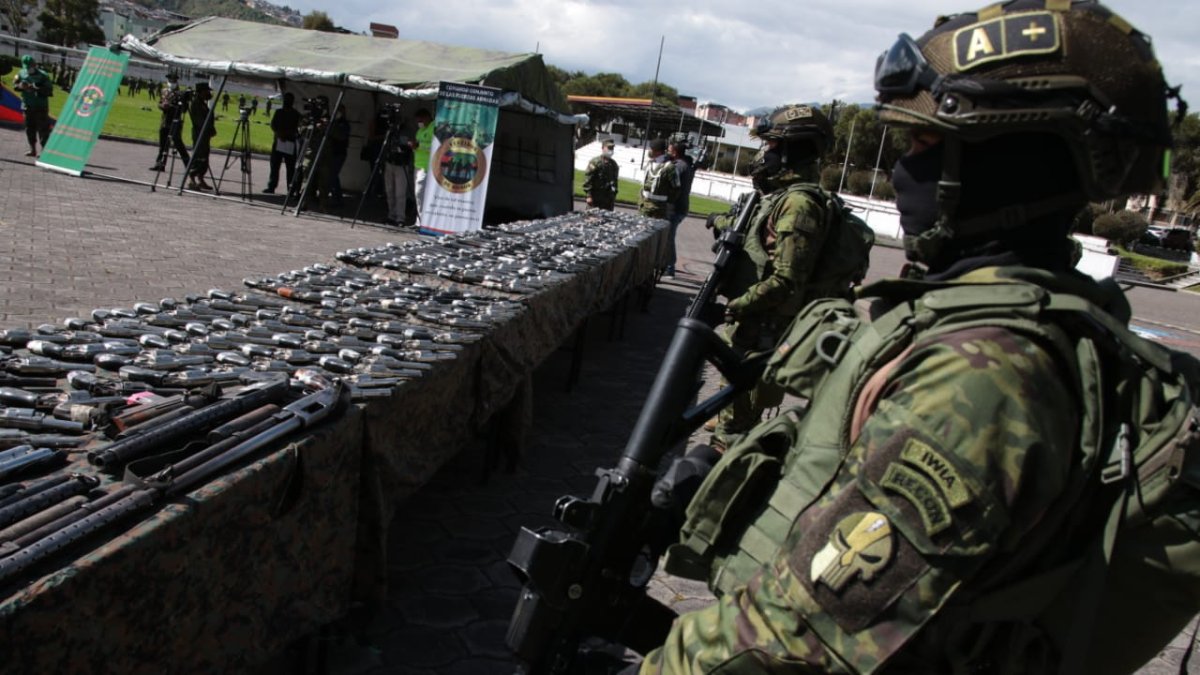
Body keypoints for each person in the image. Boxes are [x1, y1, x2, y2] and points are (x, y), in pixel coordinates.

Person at [638, 2, 1192, 673]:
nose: (902, 172)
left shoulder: (986, 373)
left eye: (925, 147)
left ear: (1012, 162)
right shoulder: (973, 319)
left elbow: (798, 638)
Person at [705, 104, 852, 451]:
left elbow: (786, 281)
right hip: (750, 330)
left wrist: (733, 308)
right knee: (727, 416)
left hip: (763, 335)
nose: (764, 154)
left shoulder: (800, 205)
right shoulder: (780, 198)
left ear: (792, 151)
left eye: (770, 147)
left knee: (732, 434)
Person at [664, 139, 695, 276]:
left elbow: (672, 187)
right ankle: (667, 266)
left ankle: (670, 268)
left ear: (675, 152)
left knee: (669, 238)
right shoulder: (686, 165)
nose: (668, 152)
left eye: (670, 150)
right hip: (680, 206)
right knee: (668, 236)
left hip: (675, 207)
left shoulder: (678, 166)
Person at [12, 55, 52, 158]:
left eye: (30, 66)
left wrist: (35, 88)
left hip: (40, 107)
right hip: (27, 106)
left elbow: (49, 91)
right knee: (29, 129)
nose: (29, 68)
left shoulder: (43, 75)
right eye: (27, 66)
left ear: (34, 64)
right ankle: (32, 150)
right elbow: (15, 85)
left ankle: (44, 151)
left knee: (43, 130)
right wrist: (21, 86)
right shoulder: (21, 73)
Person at [381, 107, 415, 226]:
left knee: (400, 193)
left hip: (402, 164)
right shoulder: (390, 130)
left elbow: (411, 146)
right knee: (389, 191)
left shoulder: (408, 131)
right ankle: (391, 215)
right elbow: (385, 145)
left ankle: (400, 217)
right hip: (390, 162)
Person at [150, 73, 189, 171]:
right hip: (164, 120)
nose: (172, 82)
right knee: (163, 144)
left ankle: (188, 164)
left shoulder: (181, 93)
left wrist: (171, 106)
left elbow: (184, 109)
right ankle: (160, 164)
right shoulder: (164, 91)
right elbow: (160, 103)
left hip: (175, 121)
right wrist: (162, 106)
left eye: (174, 80)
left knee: (178, 144)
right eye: (170, 80)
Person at [264, 92, 300, 195]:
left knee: (290, 168)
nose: (286, 102)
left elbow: (297, 128)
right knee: (275, 166)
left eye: (288, 100)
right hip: (279, 141)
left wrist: (287, 134)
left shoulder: (295, 114)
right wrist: (279, 133)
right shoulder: (279, 112)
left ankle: (291, 188)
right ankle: (271, 186)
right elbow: (273, 124)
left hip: (289, 142)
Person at [638, 138, 679, 220]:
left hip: (659, 209)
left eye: (651, 149)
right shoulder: (650, 163)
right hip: (644, 205)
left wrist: (666, 204)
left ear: (658, 151)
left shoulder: (669, 167)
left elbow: (676, 189)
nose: (649, 151)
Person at [186, 82, 216, 191]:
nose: (209, 93)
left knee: (204, 157)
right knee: (198, 156)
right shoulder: (195, 104)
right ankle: (191, 178)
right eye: (207, 91)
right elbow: (200, 121)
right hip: (199, 134)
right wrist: (208, 129)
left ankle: (200, 178)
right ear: (201, 92)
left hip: (205, 135)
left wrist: (211, 129)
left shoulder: (203, 103)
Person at [324, 104, 351, 208]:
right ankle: (336, 197)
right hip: (333, 152)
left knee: (333, 176)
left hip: (339, 153)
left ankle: (337, 199)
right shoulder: (334, 122)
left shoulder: (343, 124)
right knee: (332, 176)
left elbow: (341, 137)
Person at [583, 139, 620, 211]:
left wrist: (614, 195)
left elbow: (615, 181)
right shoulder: (595, 162)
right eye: (609, 148)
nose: (611, 150)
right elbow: (588, 180)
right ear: (603, 148)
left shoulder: (613, 164)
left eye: (612, 148)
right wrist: (589, 196)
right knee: (592, 219)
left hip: (608, 201)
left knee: (607, 220)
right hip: (595, 199)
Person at [412, 108, 434, 218]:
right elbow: (418, 146)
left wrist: (419, 146)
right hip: (418, 165)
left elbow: (435, 147)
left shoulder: (433, 128)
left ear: (427, 117)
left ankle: (422, 220)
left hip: (427, 166)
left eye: (420, 121)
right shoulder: (420, 130)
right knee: (418, 195)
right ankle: (418, 220)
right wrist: (414, 146)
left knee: (419, 193)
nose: (419, 123)